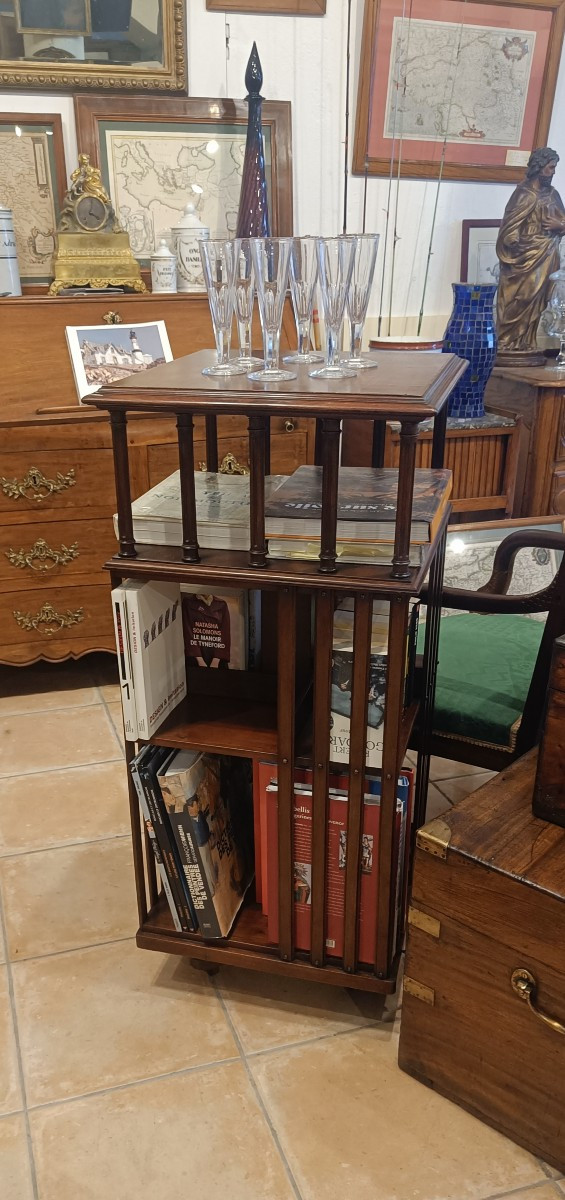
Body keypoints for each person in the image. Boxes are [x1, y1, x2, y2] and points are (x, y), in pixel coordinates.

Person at [496, 147, 565, 358]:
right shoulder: (523, 194)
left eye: (554, 168)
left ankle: (526, 342)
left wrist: (559, 225)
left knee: (539, 299)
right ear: (539, 168)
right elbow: (509, 228)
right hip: (523, 257)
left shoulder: (553, 194)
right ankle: (506, 342)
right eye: (550, 167)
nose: (553, 172)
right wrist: (513, 239)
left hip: (547, 253)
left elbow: (562, 220)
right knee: (522, 297)